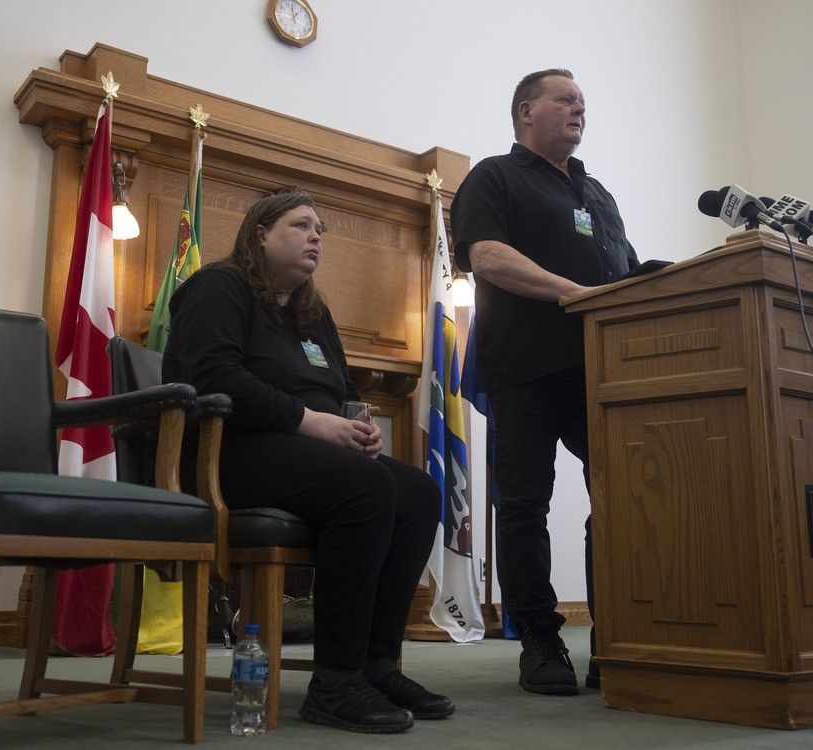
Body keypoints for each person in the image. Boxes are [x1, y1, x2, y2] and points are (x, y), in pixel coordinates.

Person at [163, 189, 453, 733]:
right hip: (224, 453)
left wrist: (358, 429)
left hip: (300, 455)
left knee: (418, 492)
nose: (315, 235)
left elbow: (342, 392)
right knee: (366, 490)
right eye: (301, 225)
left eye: (320, 228)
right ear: (260, 235)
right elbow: (214, 379)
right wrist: (315, 423)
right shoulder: (219, 288)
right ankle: (335, 682)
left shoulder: (311, 315)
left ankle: (375, 664)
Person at [450, 69, 638, 696]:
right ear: (526, 111)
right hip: (525, 369)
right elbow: (487, 256)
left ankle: (613, 636)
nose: (580, 106)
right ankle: (539, 638)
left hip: (602, 370)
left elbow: (628, 273)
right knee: (525, 504)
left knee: (617, 498)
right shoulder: (493, 178)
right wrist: (577, 296)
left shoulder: (599, 194)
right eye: (566, 98)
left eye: (584, 100)